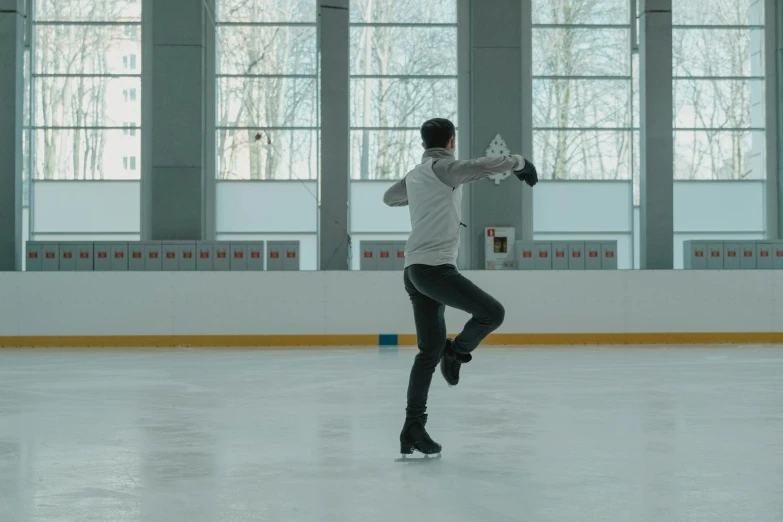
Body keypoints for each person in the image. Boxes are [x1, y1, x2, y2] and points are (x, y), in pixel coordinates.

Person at [383, 118, 538, 458]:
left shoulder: (417, 175)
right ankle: (456, 352)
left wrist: (419, 192)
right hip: (435, 268)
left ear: (423, 142)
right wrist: (519, 163)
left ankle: (413, 427)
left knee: (427, 352)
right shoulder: (445, 168)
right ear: (451, 142)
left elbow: (389, 198)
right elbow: (481, 166)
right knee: (492, 313)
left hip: (413, 270)